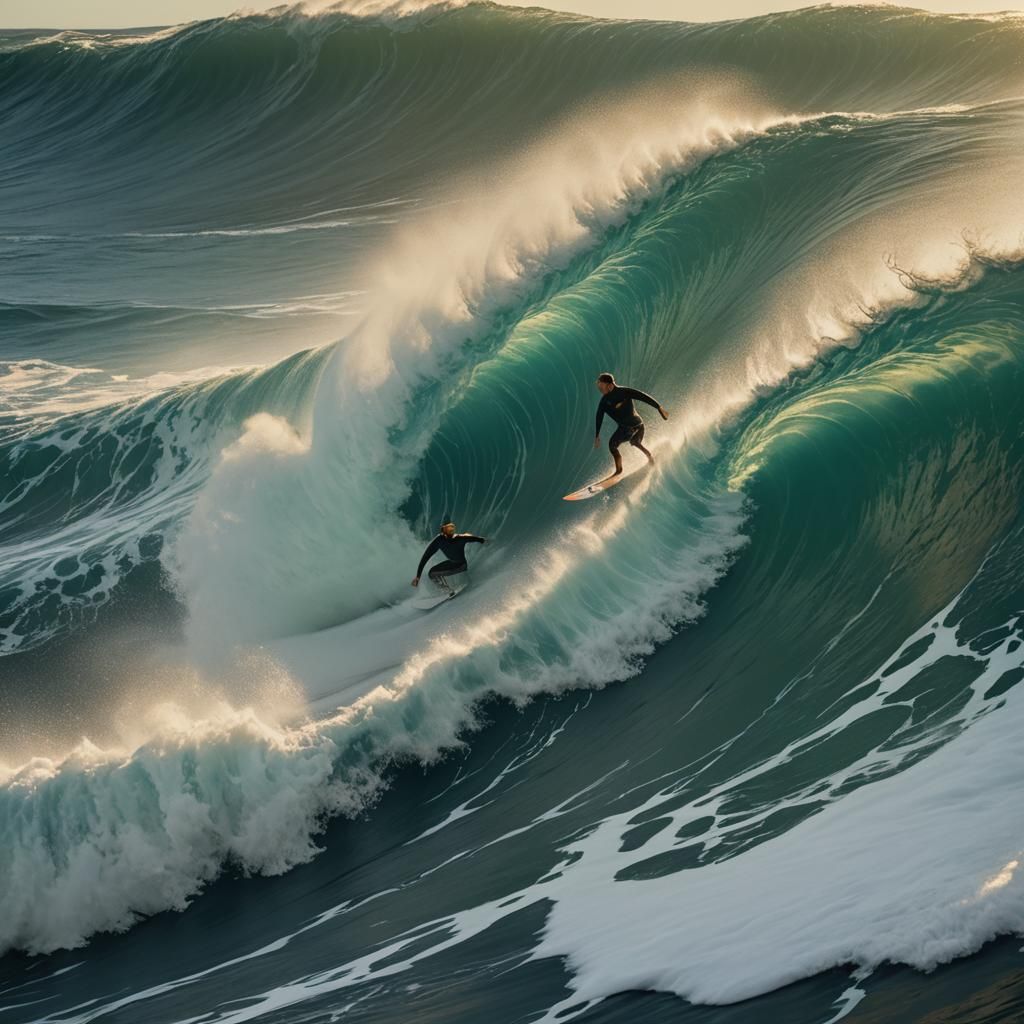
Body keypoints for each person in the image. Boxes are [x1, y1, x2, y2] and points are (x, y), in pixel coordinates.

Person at [593, 372, 668, 475]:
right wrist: (597, 434)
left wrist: (659, 407)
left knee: (628, 442)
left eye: (601, 386)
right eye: (599, 386)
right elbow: (599, 416)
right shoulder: (604, 401)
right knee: (619, 444)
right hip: (627, 427)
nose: (600, 389)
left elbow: (642, 396)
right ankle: (622, 468)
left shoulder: (624, 392)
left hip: (635, 425)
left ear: (610, 385)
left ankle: (644, 458)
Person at [411, 519, 487, 593]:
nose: (451, 532)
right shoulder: (438, 540)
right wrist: (418, 577)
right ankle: (448, 590)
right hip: (452, 563)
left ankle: (449, 590)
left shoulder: (459, 538)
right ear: (443, 531)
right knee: (431, 573)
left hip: (461, 565)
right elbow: (425, 557)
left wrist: (484, 540)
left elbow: (476, 538)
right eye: (448, 530)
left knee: (432, 573)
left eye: (452, 529)